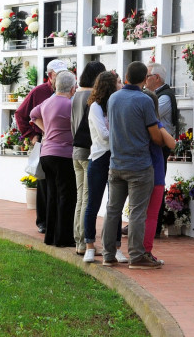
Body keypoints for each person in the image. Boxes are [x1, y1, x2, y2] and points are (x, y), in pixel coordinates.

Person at [102, 61, 163, 269]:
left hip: (116, 163)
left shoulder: (113, 98)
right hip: (139, 165)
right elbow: (155, 134)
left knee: (113, 210)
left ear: (126, 77)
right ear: (145, 79)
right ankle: (136, 256)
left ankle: (108, 254)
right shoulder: (144, 100)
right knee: (137, 212)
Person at [15, 59, 68, 234]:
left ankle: (59, 220)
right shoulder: (40, 92)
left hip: (63, 145)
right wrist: (32, 135)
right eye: (58, 74)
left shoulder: (69, 91)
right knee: (43, 182)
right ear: (50, 75)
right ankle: (43, 221)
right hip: (45, 143)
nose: (61, 77)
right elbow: (21, 114)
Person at [82, 71, 127, 264]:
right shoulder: (95, 107)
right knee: (93, 203)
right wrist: (123, 134)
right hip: (100, 158)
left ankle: (115, 247)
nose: (121, 84)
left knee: (115, 206)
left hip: (116, 157)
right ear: (109, 85)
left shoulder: (116, 104)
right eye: (118, 82)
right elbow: (103, 135)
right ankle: (90, 246)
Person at [30, 71, 77, 247]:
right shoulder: (69, 104)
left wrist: (46, 130)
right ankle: (63, 238)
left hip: (47, 154)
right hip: (63, 154)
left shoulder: (47, 102)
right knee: (66, 195)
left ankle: (50, 236)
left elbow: (33, 116)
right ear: (72, 88)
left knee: (52, 195)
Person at [71, 61, 106, 255]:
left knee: (80, 198)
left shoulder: (75, 95)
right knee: (87, 198)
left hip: (76, 150)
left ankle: (78, 240)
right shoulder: (91, 97)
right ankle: (85, 242)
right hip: (88, 151)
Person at [143, 62, 178, 238]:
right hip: (154, 145)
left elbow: (147, 117)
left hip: (160, 147)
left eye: (147, 76)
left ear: (156, 78)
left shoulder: (163, 97)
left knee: (157, 185)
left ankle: (154, 227)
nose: (144, 79)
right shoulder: (156, 94)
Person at [141, 89, 176, 264]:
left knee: (137, 214)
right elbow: (172, 143)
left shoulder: (134, 124)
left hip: (136, 173)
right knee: (152, 215)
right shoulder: (155, 123)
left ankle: (135, 250)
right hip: (155, 174)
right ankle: (145, 251)